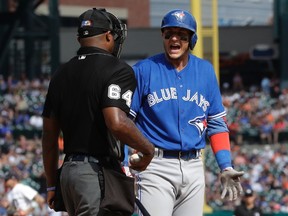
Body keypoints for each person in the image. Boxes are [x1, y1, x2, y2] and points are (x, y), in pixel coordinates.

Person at [128, 9, 244, 216]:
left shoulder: (206, 71)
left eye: (181, 35)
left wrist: (225, 166)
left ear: (192, 39)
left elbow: (217, 124)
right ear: (162, 37)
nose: (174, 39)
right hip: (155, 165)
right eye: (169, 33)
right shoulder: (144, 70)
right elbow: (125, 121)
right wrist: (124, 159)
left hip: (193, 166)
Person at [41, 8, 154, 216]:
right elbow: (117, 122)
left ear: (79, 38)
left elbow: (49, 136)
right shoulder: (117, 69)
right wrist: (148, 149)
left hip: (68, 174)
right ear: (109, 36)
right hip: (94, 174)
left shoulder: (60, 73)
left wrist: (51, 185)